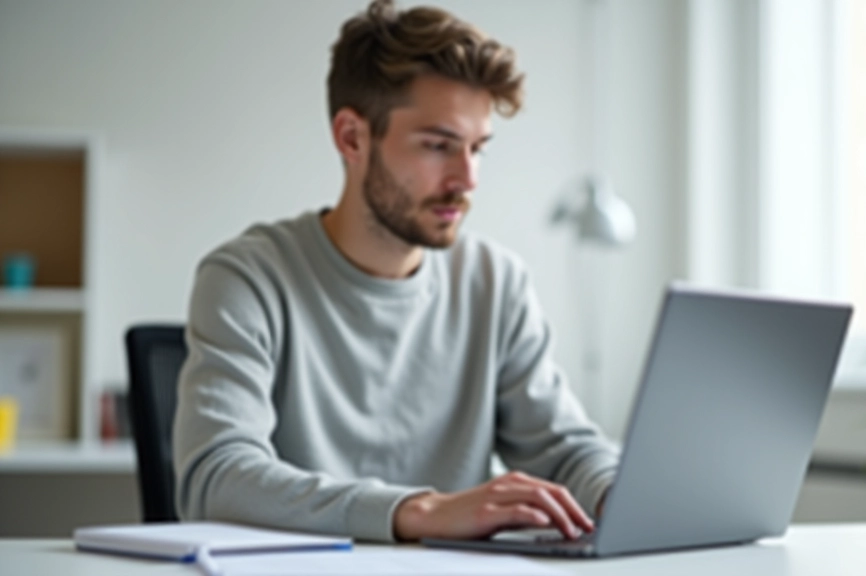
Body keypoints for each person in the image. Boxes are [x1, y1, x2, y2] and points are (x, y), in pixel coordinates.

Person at [172, 0, 619, 544]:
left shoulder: (496, 283)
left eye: (478, 149)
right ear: (352, 138)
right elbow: (215, 480)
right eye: (439, 146)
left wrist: (619, 491)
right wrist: (418, 511)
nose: (467, 178)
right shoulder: (248, 278)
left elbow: (567, 450)